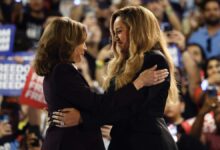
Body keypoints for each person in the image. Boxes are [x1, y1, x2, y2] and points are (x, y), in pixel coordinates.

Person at [52, 6, 179, 150]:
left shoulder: (155, 60)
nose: (114, 38)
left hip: (149, 142)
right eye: (113, 32)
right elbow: (110, 102)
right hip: (122, 140)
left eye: (119, 31)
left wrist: (83, 118)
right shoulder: (121, 64)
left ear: (137, 31)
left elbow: (131, 108)